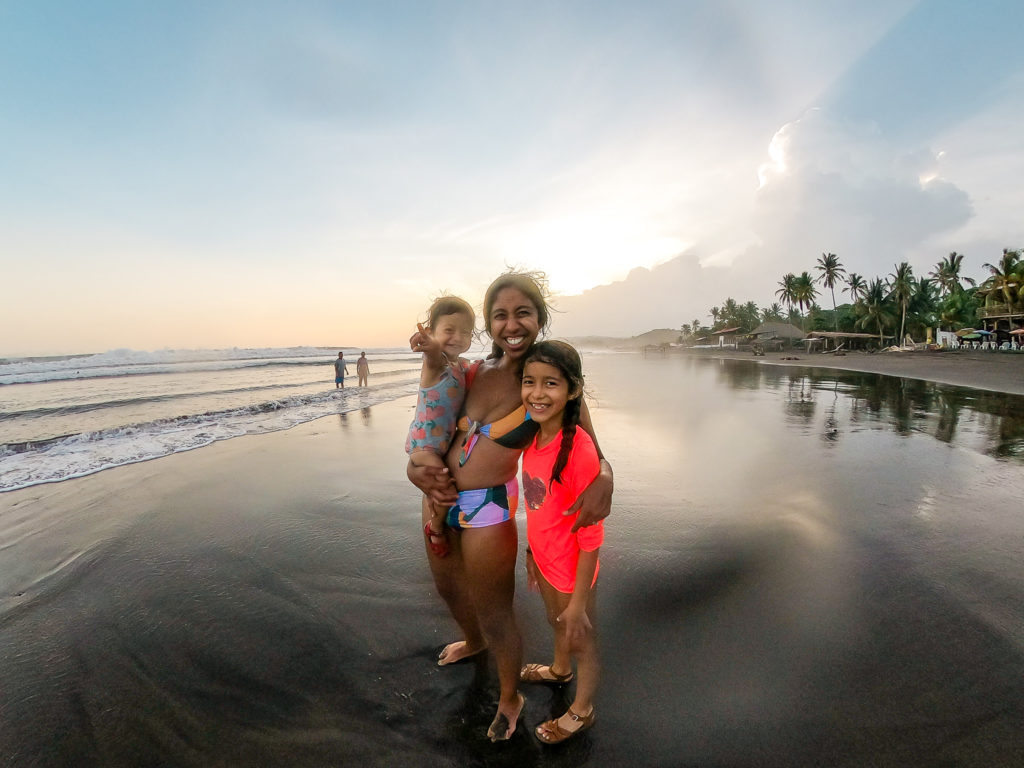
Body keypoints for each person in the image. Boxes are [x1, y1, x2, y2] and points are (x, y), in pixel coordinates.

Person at [406, 271, 614, 742]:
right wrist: (414, 470)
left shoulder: (545, 380)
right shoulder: (473, 371)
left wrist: (606, 476)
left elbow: (593, 452)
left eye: (523, 312)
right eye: (500, 315)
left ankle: (509, 698)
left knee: (495, 609)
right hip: (438, 500)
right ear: (488, 322)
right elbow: (432, 420)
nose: (511, 324)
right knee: (450, 590)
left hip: (488, 508)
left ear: (539, 318)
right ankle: (473, 642)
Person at [518, 340, 603, 744]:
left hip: (574, 570)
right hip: (548, 560)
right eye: (529, 382)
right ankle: (559, 670)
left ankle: (582, 709)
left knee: (579, 636)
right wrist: (532, 553)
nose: (537, 393)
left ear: (573, 390)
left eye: (550, 383)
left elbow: (592, 536)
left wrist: (580, 602)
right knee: (557, 623)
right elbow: (540, 509)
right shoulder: (534, 440)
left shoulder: (579, 452)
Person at [405, 296, 476, 559]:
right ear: (432, 331)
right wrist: (430, 345)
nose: (458, 337)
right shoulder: (436, 365)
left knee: (441, 486)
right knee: (445, 485)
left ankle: (438, 516)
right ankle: (435, 527)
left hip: (441, 443)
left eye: (466, 332)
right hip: (425, 444)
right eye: (449, 330)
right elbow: (434, 353)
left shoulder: (463, 366)